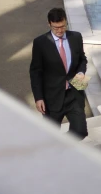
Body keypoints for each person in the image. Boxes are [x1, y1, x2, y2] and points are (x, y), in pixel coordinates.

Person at [29, 7, 88, 139]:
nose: (60, 30)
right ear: (49, 24)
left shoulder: (76, 37)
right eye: (56, 28)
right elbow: (35, 72)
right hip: (51, 98)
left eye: (62, 26)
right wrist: (38, 97)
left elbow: (82, 59)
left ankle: (64, 147)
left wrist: (81, 72)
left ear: (66, 22)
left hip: (75, 93)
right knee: (50, 137)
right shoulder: (40, 43)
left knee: (81, 132)